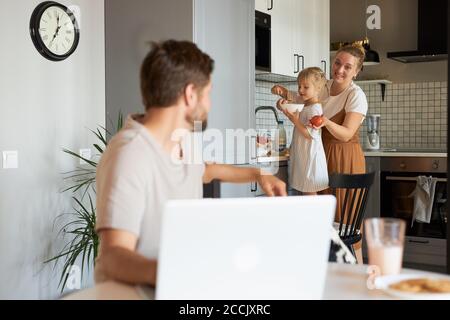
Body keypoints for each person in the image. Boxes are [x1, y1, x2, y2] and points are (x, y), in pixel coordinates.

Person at [94, 40, 286, 286]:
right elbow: (113, 257)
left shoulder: (183, 138)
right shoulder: (131, 153)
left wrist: (258, 174)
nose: (209, 104)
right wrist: (179, 272)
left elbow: (203, 171)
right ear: (190, 94)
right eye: (208, 94)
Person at [272, 43, 368, 262]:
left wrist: (325, 122)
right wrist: (283, 94)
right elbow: (302, 97)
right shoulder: (323, 86)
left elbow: (346, 133)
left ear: (357, 71)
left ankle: (359, 276)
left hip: (345, 159)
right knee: (322, 223)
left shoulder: (356, 95)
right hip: (320, 157)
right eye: (337, 63)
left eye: (347, 66)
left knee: (346, 223)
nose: (340, 70)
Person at [279, 67, 328, 195]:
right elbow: (301, 126)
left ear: (317, 89)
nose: (300, 90)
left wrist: (294, 119)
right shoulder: (306, 105)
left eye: (305, 87)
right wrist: (287, 112)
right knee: (307, 194)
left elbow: (309, 134)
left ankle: (318, 216)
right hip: (304, 155)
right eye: (299, 86)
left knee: (310, 194)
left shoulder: (315, 109)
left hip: (310, 158)